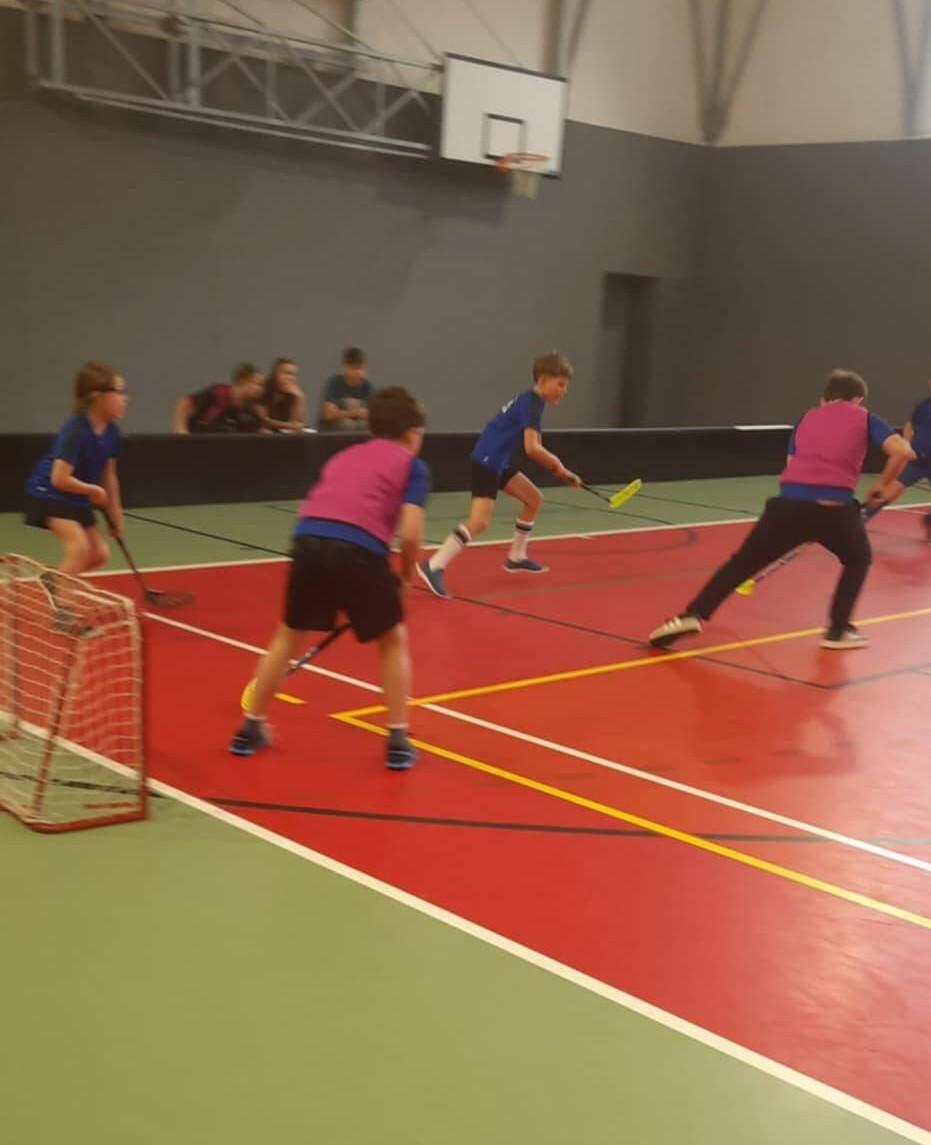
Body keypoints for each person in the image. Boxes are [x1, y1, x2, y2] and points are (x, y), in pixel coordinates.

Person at [229, 386, 430, 770]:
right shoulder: (412, 466)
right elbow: (411, 533)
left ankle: (250, 727)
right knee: (391, 640)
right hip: (357, 549)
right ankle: (398, 741)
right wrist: (404, 576)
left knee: (288, 636)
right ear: (412, 433)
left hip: (307, 540)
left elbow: (324, 506)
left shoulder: (345, 456)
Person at [648, 369, 915, 652]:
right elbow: (902, 451)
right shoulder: (866, 417)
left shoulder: (806, 418)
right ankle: (838, 630)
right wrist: (881, 485)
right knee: (858, 558)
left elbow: (790, 466)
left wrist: (804, 521)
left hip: (786, 507)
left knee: (741, 563)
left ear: (824, 398)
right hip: (834, 510)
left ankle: (692, 614)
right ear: (858, 399)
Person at [417, 350, 581, 599]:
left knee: (533, 499)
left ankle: (516, 556)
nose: (564, 391)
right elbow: (532, 448)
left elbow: (536, 443)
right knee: (479, 522)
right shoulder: (532, 403)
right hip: (488, 460)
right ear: (544, 379)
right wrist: (561, 469)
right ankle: (433, 565)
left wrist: (560, 471)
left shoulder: (533, 402)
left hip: (497, 461)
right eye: (561, 384)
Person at [24, 362, 128, 579]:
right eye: (119, 392)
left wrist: (115, 515)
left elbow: (109, 477)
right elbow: (59, 478)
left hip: (76, 496)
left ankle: (55, 580)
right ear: (96, 396)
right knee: (79, 549)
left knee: (99, 554)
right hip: (48, 493)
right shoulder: (75, 429)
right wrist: (92, 490)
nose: (125, 398)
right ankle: (62, 600)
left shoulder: (112, 433)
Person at [862, 375, 931, 539]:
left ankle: (929, 522)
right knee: (891, 491)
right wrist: (906, 444)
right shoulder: (923, 406)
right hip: (916, 460)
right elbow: (909, 425)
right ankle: (861, 517)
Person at [173, 362, 264, 434]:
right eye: (257, 384)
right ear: (243, 381)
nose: (261, 390)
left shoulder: (251, 411)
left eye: (262, 386)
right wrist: (181, 429)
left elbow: (258, 432)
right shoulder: (219, 393)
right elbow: (184, 402)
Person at [318, 347, 373, 432]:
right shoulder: (334, 383)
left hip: (359, 432)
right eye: (355, 368)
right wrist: (354, 413)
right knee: (347, 424)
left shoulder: (367, 386)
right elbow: (328, 414)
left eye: (362, 369)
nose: (359, 373)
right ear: (345, 367)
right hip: (334, 434)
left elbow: (374, 414)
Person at [259, 358, 306, 433]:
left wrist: (299, 398)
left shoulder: (292, 391)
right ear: (275, 374)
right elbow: (263, 420)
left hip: (282, 433)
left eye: (293, 374)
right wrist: (289, 425)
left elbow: (297, 423)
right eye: (287, 373)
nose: (291, 378)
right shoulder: (263, 388)